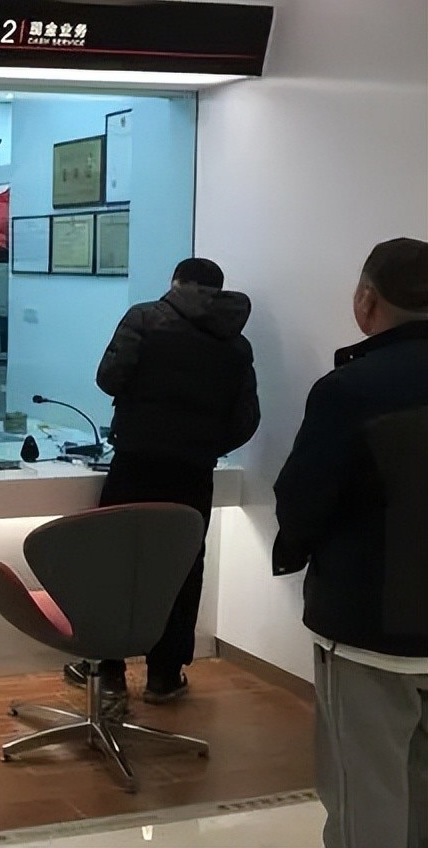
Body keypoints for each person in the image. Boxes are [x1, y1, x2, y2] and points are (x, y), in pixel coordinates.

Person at [273, 238, 428, 848]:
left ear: (366, 301)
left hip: (369, 627)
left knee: (366, 795)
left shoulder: (349, 389)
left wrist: (297, 548)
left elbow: (304, 500)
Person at [64, 258, 260, 713]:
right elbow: (246, 419)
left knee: (116, 564)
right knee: (182, 569)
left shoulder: (144, 319)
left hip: (135, 463)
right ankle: (165, 675)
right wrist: (203, 446)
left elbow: (108, 378)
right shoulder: (236, 342)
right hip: (194, 473)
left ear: (175, 282)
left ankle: (109, 671)